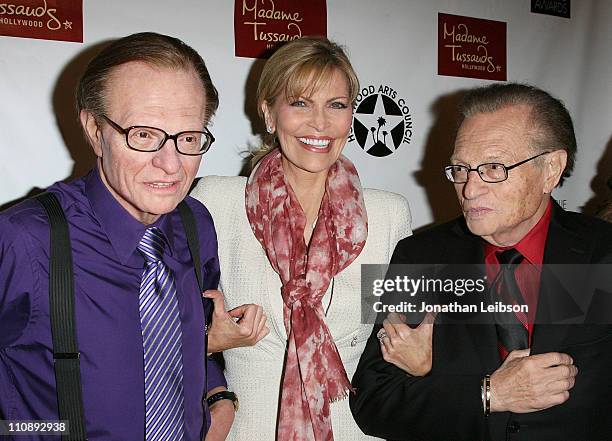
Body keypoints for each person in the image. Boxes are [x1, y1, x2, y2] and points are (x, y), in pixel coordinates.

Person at [0, 32, 268, 441]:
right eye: (144, 135)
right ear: (94, 128)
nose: (171, 165)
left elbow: (198, 333)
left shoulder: (196, 224)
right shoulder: (24, 240)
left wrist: (217, 396)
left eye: (189, 138)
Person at [350, 83, 612, 441]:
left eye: (493, 167)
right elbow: (372, 403)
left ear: (551, 169)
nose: (470, 189)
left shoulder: (602, 254)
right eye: (460, 169)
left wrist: (433, 376)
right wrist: (490, 393)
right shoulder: (419, 256)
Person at [191, 37, 411, 440]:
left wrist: (422, 357)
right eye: (300, 103)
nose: (320, 123)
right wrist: (206, 343)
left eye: (336, 105)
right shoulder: (216, 202)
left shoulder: (388, 215)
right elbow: (152, 330)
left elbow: (400, 346)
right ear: (269, 113)